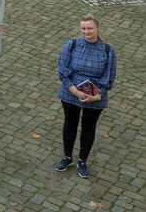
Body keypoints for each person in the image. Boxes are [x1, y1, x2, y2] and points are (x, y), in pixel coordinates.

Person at [55, 15, 117, 179]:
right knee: (70, 124)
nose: (86, 31)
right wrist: (75, 91)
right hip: (71, 93)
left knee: (89, 127)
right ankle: (67, 156)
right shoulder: (72, 45)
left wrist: (96, 96)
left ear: (97, 28)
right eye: (83, 28)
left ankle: (83, 160)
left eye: (90, 28)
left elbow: (109, 77)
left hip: (95, 97)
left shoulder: (107, 50)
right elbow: (62, 69)